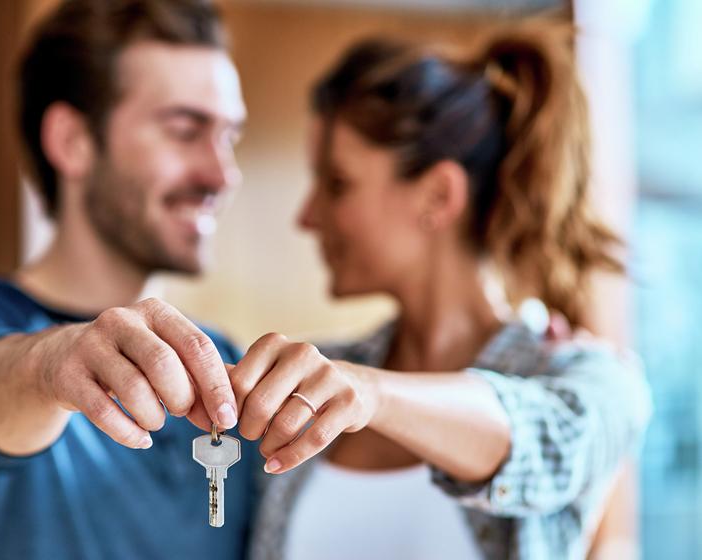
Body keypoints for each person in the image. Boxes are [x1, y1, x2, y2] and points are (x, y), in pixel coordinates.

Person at [225, 23, 653, 560]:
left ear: (438, 195)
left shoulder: (588, 381)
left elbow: (542, 444)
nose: (308, 217)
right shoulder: (319, 380)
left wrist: (374, 395)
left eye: (337, 184)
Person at [0, 1, 257, 558]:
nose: (221, 174)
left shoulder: (219, 359)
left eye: (229, 136)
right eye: (184, 130)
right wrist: (50, 366)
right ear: (72, 141)